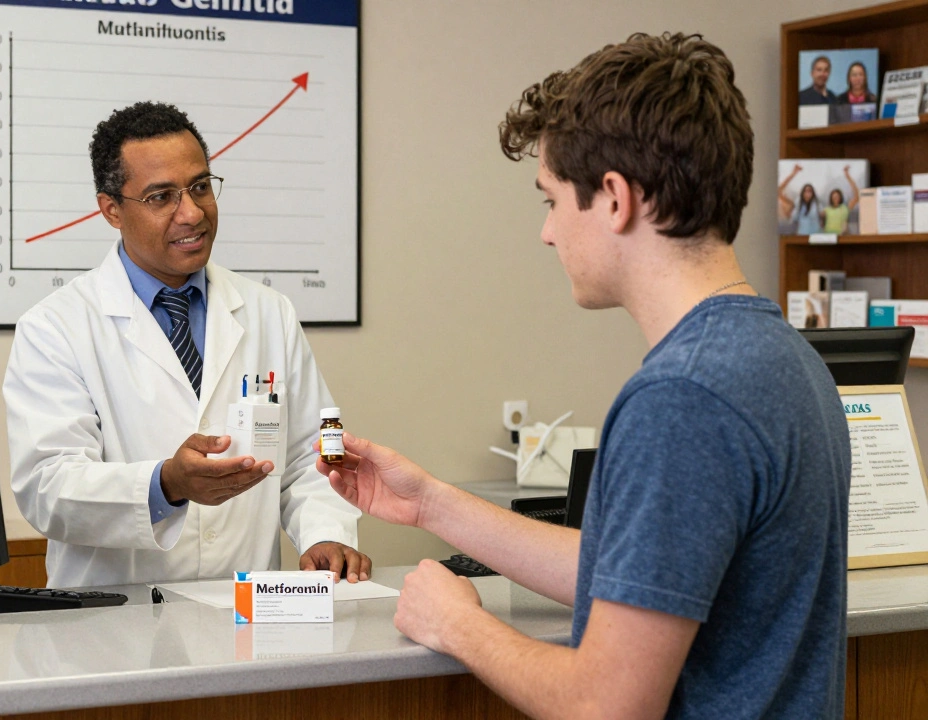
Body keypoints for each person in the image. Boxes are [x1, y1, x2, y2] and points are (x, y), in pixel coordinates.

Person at [317, 33, 849, 719]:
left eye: (551, 201)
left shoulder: (682, 397)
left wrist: (457, 624)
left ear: (615, 198)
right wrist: (430, 505)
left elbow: (606, 706)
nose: (547, 233)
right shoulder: (781, 357)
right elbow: (646, 580)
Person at [3, 101, 369, 588]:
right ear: (112, 209)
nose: (192, 213)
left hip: (246, 613)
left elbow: (312, 454)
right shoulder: (55, 327)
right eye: (161, 197)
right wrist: (166, 485)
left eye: (200, 187)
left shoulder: (269, 312)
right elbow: (48, 488)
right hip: (113, 627)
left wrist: (323, 533)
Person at [778, 165, 822, 235]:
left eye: (810, 191)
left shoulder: (816, 205)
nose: (807, 193)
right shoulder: (794, 204)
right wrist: (793, 173)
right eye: (805, 191)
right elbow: (779, 191)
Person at [822, 166, 861, 235]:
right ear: (831, 198)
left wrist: (847, 176)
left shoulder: (845, 208)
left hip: (842, 237)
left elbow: (857, 196)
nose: (835, 198)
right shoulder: (826, 210)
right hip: (828, 238)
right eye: (834, 197)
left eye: (837, 196)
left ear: (840, 197)